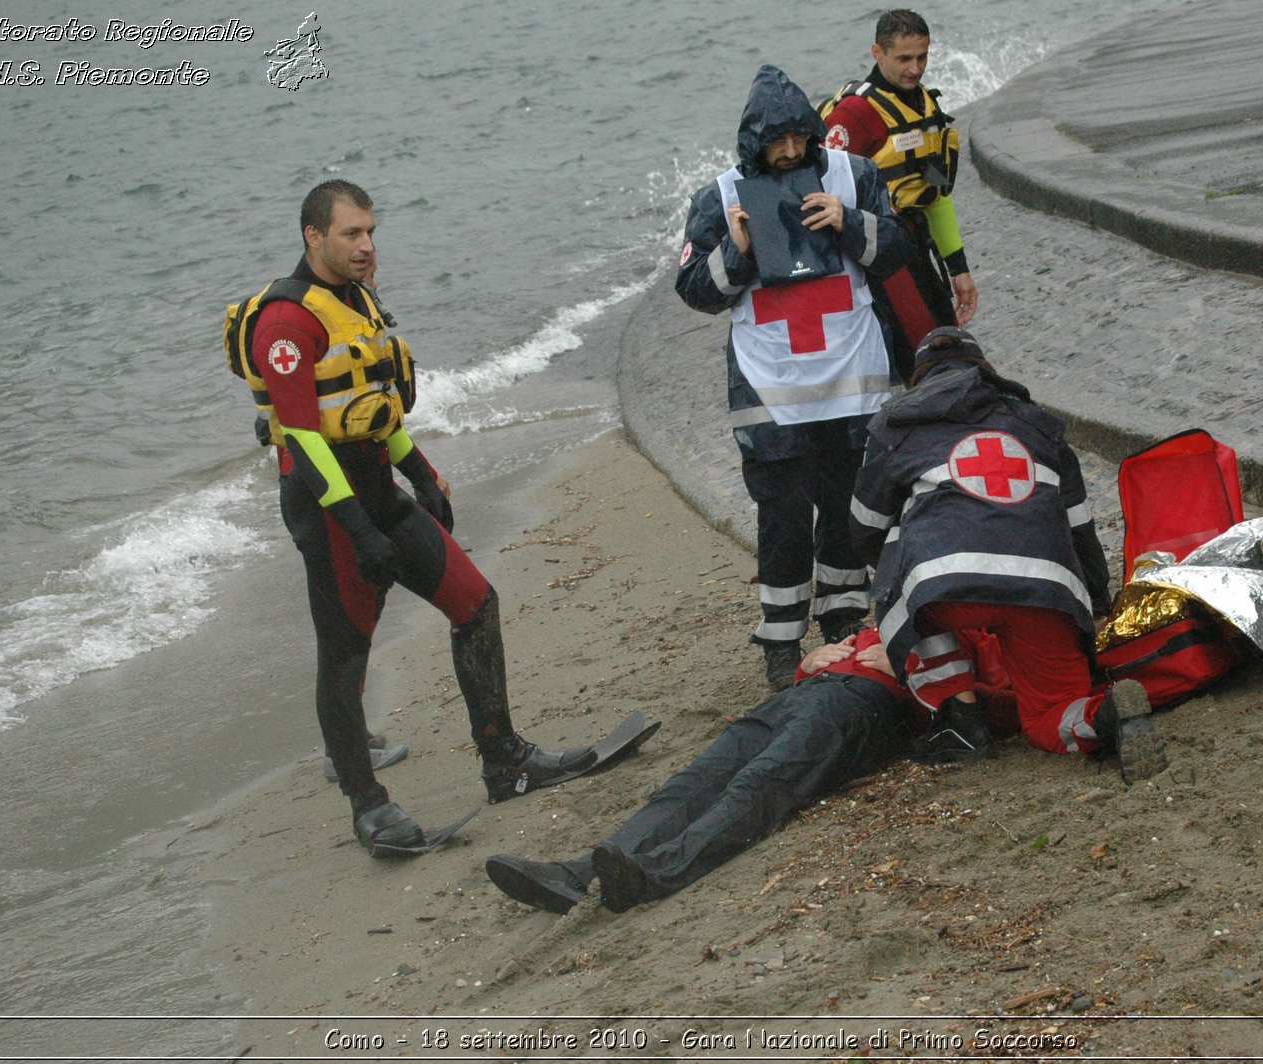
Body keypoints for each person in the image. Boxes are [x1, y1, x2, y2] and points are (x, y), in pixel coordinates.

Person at [227, 180, 602, 856]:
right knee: (344, 659)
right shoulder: (286, 323)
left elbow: (373, 406)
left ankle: (505, 762)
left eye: (371, 231)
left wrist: (420, 475)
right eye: (351, 234)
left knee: (476, 604)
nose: (367, 245)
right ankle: (369, 808)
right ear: (314, 237)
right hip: (328, 508)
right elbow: (305, 436)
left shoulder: (356, 300)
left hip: (378, 490)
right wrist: (357, 525)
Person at [675, 65, 912, 690]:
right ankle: (780, 646)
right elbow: (694, 291)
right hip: (768, 390)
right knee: (781, 518)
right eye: (775, 142)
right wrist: (738, 251)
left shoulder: (854, 176)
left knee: (846, 510)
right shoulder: (719, 196)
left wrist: (849, 222)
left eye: (797, 139)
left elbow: (897, 251)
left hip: (851, 383)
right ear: (755, 142)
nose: (788, 152)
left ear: (811, 132)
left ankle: (844, 627)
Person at [849, 327, 1167, 782]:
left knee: (902, 583)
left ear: (918, 378)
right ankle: (1106, 718)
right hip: (1047, 587)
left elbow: (864, 530)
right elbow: (1080, 528)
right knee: (1047, 715)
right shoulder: (1039, 424)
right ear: (986, 370)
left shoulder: (897, 424)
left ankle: (959, 718)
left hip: (946, 588)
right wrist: (1096, 599)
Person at [484, 626, 969, 914]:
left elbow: (986, 711)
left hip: (865, 708)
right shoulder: (905, 594)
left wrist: (912, 671)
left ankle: (652, 873)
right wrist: (809, 663)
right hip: (809, 693)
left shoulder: (968, 624)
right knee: (692, 783)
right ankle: (579, 872)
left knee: (761, 782)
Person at [822, 9, 979, 380]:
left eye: (922, 57)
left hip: (918, 251)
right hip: (879, 263)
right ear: (878, 53)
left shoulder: (925, 104)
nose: (915, 68)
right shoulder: (855, 115)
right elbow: (820, 196)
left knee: (945, 347)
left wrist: (959, 270)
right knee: (924, 364)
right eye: (904, 58)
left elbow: (934, 195)